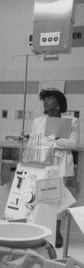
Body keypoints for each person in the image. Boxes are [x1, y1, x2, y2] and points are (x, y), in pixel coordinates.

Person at [29, 89, 79, 247]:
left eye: (49, 99)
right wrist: (53, 141)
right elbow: (35, 142)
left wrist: (53, 139)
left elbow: (74, 144)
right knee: (41, 198)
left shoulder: (72, 121)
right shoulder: (38, 121)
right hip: (43, 162)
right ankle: (40, 230)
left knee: (57, 200)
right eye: (44, 100)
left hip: (62, 164)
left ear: (58, 104)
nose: (45, 102)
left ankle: (57, 233)